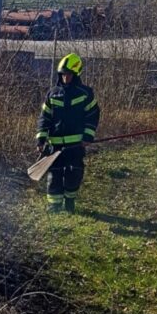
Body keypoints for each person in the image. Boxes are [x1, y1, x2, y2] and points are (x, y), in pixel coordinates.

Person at [36, 53, 100, 213]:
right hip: (55, 145)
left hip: (75, 145)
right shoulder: (52, 94)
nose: (65, 77)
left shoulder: (85, 93)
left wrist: (88, 136)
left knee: (74, 174)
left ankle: (70, 201)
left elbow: (92, 116)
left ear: (76, 74)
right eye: (63, 74)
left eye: (69, 74)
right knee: (54, 176)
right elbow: (44, 118)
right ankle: (54, 205)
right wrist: (41, 139)